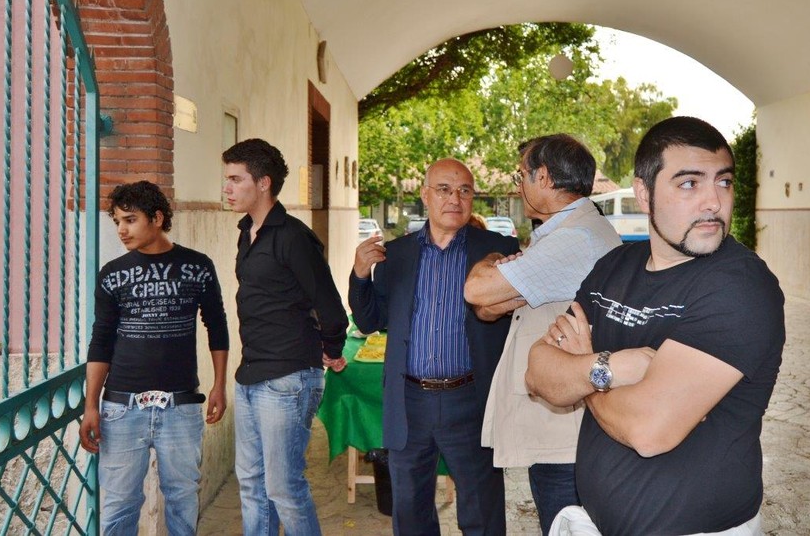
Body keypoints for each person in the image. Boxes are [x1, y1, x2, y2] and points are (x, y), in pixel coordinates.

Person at [527, 117, 786, 536]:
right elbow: (538, 373)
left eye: (723, 182)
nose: (713, 202)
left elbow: (648, 430)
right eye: (689, 184)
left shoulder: (740, 286)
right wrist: (614, 368)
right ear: (644, 193)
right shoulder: (614, 267)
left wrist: (587, 371)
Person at [348, 158, 519, 536]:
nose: (454, 199)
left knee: (482, 511)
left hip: (471, 399)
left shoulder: (498, 250)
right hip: (410, 402)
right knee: (410, 511)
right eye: (443, 189)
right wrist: (360, 275)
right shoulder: (396, 255)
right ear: (425, 195)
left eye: (464, 191)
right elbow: (369, 321)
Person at [463, 134, 621, 534]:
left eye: (521, 176)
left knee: (564, 523)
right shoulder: (565, 232)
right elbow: (488, 308)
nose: (519, 186)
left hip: (567, 436)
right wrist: (503, 286)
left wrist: (492, 259)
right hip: (562, 425)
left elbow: (476, 290)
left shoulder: (574, 239)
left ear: (545, 177)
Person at [81, 181, 229, 536]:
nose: (121, 230)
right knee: (120, 505)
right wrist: (91, 405)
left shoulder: (198, 266)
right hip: (121, 408)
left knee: (182, 499)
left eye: (130, 220)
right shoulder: (112, 274)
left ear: (157, 218)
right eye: (117, 221)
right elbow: (101, 340)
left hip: (180, 406)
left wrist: (219, 385)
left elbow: (217, 326)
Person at [222, 138, 348, 536]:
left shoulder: (293, 237)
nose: (227, 188)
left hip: (288, 377)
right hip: (250, 374)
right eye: (227, 179)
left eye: (236, 179)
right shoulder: (247, 231)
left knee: (284, 488)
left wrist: (332, 348)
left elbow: (328, 302)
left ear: (263, 183)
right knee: (252, 484)